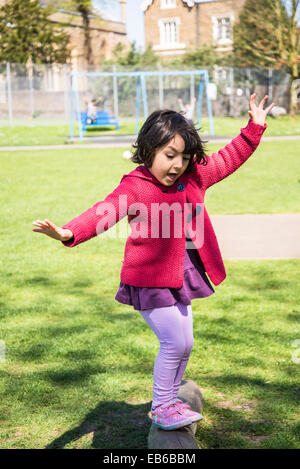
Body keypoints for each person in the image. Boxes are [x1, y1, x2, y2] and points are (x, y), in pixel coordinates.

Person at [32, 94, 275, 431]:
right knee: (174, 342)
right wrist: (68, 232)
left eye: (185, 157)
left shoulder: (194, 176)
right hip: (151, 279)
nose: (177, 165)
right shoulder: (135, 187)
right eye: (169, 155)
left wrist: (255, 128)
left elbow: (229, 157)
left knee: (185, 342)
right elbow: (103, 212)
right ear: (148, 151)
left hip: (184, 274)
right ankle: (162, 407)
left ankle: (171, 399)